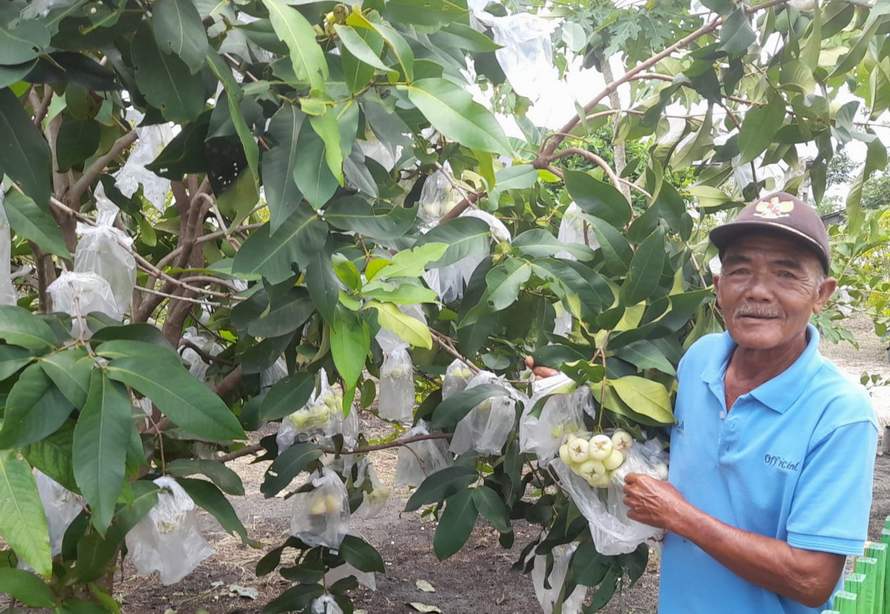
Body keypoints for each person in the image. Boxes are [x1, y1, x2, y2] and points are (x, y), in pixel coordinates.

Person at [623, 192, 878, 613]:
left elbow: (812, 579)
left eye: (785, 274)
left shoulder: (840, 415)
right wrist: (576, 391)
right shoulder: (698, 360)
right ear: (718, 287)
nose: (758, 291)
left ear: (822, 294)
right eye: (740, 270)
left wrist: (678, 516)